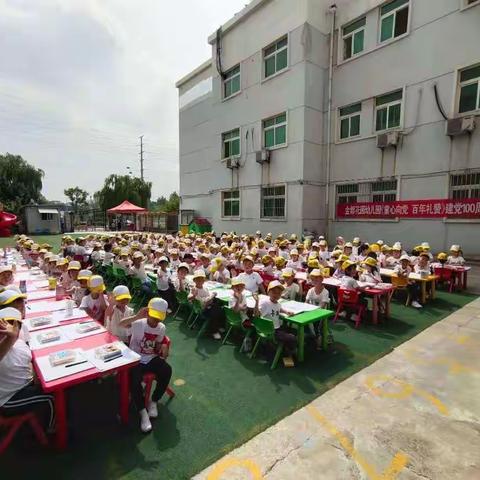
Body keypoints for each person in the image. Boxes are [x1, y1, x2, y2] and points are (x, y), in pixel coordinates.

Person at [120, 298, 172, 433]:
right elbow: (121, 324)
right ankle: (142, 412)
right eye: (154, 317)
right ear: (147, 312)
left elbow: (159, 346)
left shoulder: (161, 328)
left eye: (159, 318)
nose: (156, 321)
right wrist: (137, 316)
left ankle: (154, 401)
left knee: (167, 370)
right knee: (135, 380)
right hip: (135, 358)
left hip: (150, 358)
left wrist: (164, 348)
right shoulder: (138, 323)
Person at [0, 307, 55, 432]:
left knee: (52, 385)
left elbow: (29, 361)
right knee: (50, 398)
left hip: (23, 385)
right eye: (3, 327)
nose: (7, 331)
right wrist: (10, 338)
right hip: (8, 399)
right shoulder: (4, 347)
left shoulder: (19, 344)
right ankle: (52, 429)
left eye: (14, 326)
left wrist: (36, 379)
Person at [257, 280, 297, 362]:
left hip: (270, 329)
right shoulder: (264, 303)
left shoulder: (277, 304)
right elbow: (257, 315)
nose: (276, 295)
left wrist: (286, 311)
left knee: (288, 330)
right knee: (292, 337)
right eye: (274, 292)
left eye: (279, 293)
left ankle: (284, 349)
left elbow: (278, 308)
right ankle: (290, 353)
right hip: (272, 331)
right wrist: (256, 303)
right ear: (269, 292)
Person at [188, 270, 222, 340]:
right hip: (202, 309)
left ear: (204, 280)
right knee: (216, 311)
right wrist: (193, 296)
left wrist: (211, 297)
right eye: (198, 279)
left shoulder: (205, 288)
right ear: (194, 280)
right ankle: (214, 331)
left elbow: (208, 298)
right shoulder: (194, 289)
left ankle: (218, 326)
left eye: (201, 279)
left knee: (219, 308)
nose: (200, 281)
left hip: (207, 306)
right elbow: (189, 297)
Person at [305, 269, 331, 349]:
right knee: (305, 324)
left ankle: (319, 344)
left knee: (317, 328)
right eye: (312, 279)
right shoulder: (310, 290)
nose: (314, 280)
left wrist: (312, 311)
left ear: (322, 279)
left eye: (317, 278)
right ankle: (310, 337)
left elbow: (322, 306)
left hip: (320, 314)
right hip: (310, 312)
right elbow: (306, 302)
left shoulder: (325, 292)